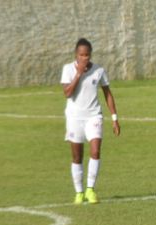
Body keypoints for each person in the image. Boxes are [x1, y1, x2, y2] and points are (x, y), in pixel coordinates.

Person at [60, 37, 120, 205]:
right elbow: (67, 93)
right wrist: (78, 73)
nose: (84, 58)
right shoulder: (68, 70)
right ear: (76, 55)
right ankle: (79, 192)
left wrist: (114, 118)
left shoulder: (99, 70)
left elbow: (107, 93)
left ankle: (90, 189)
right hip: (74, 118)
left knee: (95, 151)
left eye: (87, 55)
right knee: (77, 156)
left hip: (94, 116)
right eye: (81, 55)